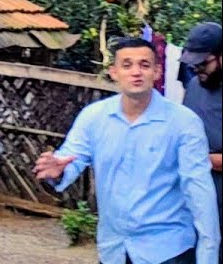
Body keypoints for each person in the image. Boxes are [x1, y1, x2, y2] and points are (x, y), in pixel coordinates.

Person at [34, 37, 219, 264]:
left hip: (168, 250)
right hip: (114, 249)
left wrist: (208, 254)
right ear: (113, 72)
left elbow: (199, 191)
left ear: (157, 71)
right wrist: (57, 171)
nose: (136, 72)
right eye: (127, 65)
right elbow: (71, 157)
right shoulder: (94, 117)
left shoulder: (183, 123)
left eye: (144, 65)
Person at [180, 21, 223, 262]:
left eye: (203, 62)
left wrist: (206, 160)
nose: (197, 68)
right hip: (195, 203)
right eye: (193, 63)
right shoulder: (195, 86)